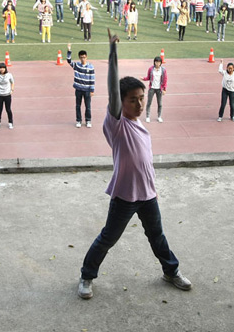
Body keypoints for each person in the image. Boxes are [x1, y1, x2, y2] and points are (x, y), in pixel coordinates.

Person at [78, 29, 192, 300]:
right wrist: (113, 52)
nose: (140, 104)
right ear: (121, 103)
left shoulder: (139, 124)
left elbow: (144, 161)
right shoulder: (117, 124)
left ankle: (170, 271)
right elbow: (111, 87)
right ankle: (86, 276)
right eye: (133, 100)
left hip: (148, 195)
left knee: (158, 237)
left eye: (142, 98)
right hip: (125, 197)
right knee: (108, 239)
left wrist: (152, 186)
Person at [67, 43, 95, 128]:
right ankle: (78, 120)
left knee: (88, 106)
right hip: (78, 89)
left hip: (87, 90)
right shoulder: (76, 65)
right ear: (79, 57)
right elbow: (69, 61)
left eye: (84, 57)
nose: (83, 59)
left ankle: (88, 120)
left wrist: (92, 90)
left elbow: (92, 79)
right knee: (78, 106)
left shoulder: (90, 67)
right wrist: (69, 50)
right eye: (81, 57)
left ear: (86, 57)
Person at [140, 56, 167, 123]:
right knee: (149, 103)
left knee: (160, 104)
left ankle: (159, 116)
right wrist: (143, 78)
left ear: (161, 63)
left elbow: (165, 80)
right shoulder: (151, 69)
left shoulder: (163, 70)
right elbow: (148, 77)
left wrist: (164, 89)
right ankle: (148, 116)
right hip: (152, 88)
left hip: (159, 89)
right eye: (156, 62)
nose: (157, 63)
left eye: (159, 62)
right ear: (154, 62)